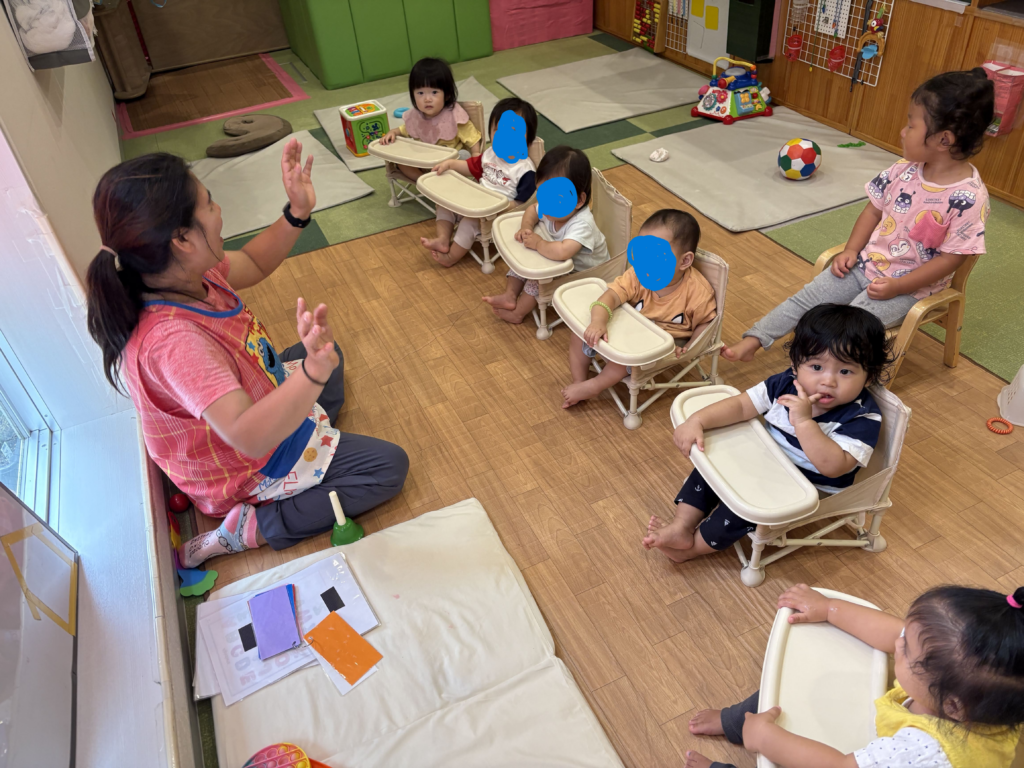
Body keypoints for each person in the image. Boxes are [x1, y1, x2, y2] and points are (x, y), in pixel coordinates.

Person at [85, 140, 409, 567]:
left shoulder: (186, 275)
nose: (219, 210)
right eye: (209, 203)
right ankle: (253, 526)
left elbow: (254, 262)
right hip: (243, 465)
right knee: (387, 467)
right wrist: (311, 374)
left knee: (328, 356)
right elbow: (248, 435)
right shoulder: (172, 340)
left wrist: (297, 212)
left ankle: (311, 433)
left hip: (248, 410)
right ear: (181, 238)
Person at [723, 68, 994, 363]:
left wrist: (899, 286)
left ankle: (814, 374)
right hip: (864, 266)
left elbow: (951, 259)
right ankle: (755, 339)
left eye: (911, 124)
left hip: (910, 290)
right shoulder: (903, 169)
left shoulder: (969, 198)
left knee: (847, 330)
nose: (903, 131)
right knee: (808, 299)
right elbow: (873, 210)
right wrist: (851, 250)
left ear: (944, 140)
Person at [645, 304, 892, 563]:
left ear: (869, 377)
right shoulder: (784, 384)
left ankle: (692, 549)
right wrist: (698, 420)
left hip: (806, 487)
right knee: (708, 473)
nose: (828, 381)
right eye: (817, 367)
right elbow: (742, 406)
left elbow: (833, 467)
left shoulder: (861, 417)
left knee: (739, 511)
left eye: (845, 371)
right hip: (765, 459)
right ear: (795, 365)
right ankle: (682, 526)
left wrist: (804, 422)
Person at [683, 583, 1024, 768]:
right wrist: (829, 610)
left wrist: (764, 738)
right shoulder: (986, 693)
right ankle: (734, 721)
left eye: (906, 649)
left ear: (952, 706)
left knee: (775, 722)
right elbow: (892, 631)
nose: (897, 642)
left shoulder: (924, 754)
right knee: (784, 692)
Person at [561, 209, 717, 408]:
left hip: (664, 341)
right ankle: (579, 381)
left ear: (684, 261)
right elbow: (610, 296)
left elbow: (706, 323)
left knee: (625, 361)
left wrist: (690, 347)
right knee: (579, 333)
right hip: (632, 325)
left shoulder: (698, 292)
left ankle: (594, 386)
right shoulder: (638, 274)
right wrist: (598, 320)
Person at [483, 145, 609, 324]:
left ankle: (518, 313)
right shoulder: (553, 207)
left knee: (536, 280)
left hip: (584, 274)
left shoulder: (582, 224)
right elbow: (532, 210)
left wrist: (538, 243)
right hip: (556, 260)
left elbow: (563, 251)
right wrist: (526, 227)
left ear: (578, 200)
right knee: (522, 265)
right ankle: (510, 295)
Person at [420, 97, 539, 267]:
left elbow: (524, 203)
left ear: (528, 138)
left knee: (469, 222)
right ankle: (443, 239)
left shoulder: (525, 169)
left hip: (496, 213)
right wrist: (451, 164)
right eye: (498, 130)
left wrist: (498, 207)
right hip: (474, 200)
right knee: (444, 205)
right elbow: (470, 167)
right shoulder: (490, 154)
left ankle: (451, 257)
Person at [378, 57, 482, 182]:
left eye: (434, 92)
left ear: (447, 94)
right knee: (400, 160)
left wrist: (476, 155)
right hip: (422, 162)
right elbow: (404, 129)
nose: (427, 99)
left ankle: (435, 181)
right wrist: (393, 132)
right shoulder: (416, 116)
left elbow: (472, 138)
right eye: (420, 93)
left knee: (464, 156)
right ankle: (423, 181)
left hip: (447, 165)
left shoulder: (454, 115)